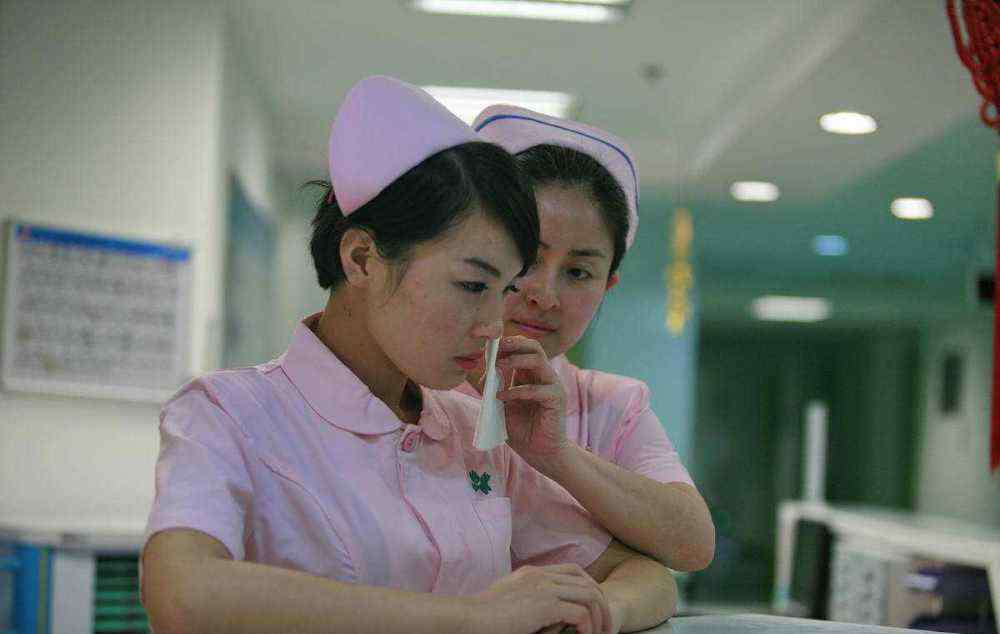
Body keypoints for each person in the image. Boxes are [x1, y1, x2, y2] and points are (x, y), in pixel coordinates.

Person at [141, 76, 675, 634]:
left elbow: (647, 575)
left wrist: (600, 611)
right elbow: (183, 593)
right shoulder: (230, 413)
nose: (494, 325)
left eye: (504, 290)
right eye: (473, 286)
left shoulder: (473, 433)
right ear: (362, 259)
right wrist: (473, 618)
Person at [461, 105, 716, 572]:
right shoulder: (411, 387)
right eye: (527, 258)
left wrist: (560, 456)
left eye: (578, 272)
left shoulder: (610, 405)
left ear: (607, 286)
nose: (544, 295)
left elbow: (692, 544)